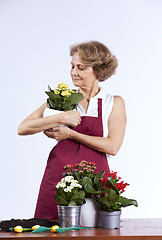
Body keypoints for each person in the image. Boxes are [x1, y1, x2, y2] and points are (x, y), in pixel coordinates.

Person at [18, 41, 127, 219]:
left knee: (95, 232)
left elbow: (112, 146)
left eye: (81, 68)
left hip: (95, 181)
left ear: (98, 70)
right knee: (48, 230)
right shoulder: (62, 99)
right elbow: (23, 128)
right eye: (72, 66)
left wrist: (71, 134)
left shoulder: (113, 102)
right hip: (58, 178)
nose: (73, 72)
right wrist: (61, 117)